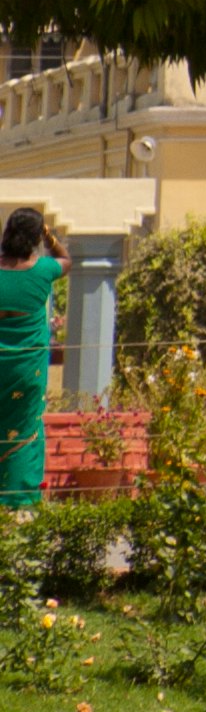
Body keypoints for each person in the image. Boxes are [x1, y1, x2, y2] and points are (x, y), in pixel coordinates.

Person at [0, 203, 57, 507]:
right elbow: (66, 259)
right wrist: (49, 237)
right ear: (37, 235)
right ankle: (18, 502)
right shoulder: (44, 270)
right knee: (23, 430)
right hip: (26, 369)